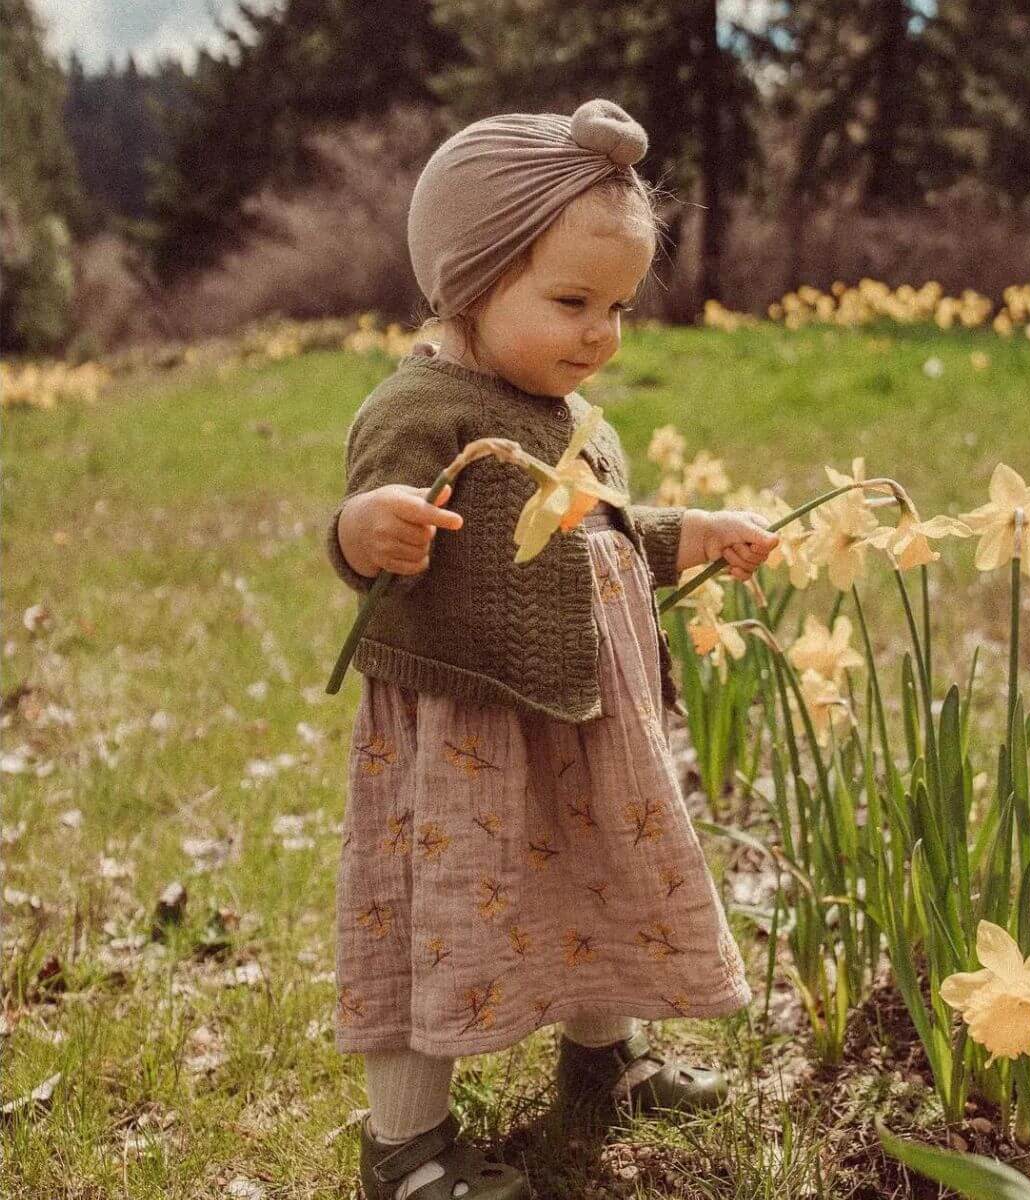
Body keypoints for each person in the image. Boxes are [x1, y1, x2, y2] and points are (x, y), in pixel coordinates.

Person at [326, 98, 779, 1200]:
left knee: (596, 875)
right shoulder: (421, 404)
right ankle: (406, 1143)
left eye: (619, 306)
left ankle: (601, 1059)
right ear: (466, 285)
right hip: (468, 727)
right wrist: (364, 529)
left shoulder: (573, 410)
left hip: (583, 718)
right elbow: (358, 522)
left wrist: (685, 537)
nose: (600, 335)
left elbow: (599, 525)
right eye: (571, 301)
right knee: (441, 911)